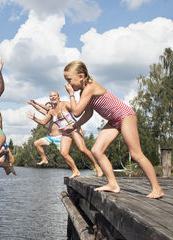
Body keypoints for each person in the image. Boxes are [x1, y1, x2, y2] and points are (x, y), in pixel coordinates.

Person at [63, 60, 164, 198]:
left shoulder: (90, 87)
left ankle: (157, 188)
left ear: (81, 76)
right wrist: (74, 126)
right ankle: (112, 184)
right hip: (113, 121)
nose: (68, 84)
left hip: (125, 116)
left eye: (69, 80)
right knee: (96, 150)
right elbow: (88, 113)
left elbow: (76, 112)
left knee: (135, 154)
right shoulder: (84, 93)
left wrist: (70, 94)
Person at [28, 91, 103, 178]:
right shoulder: (51, 111)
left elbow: (78, 110)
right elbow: (43, 122)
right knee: (63, 153)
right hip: (65, 133)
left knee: (82, 149)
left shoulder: (65, 104)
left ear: (58, 97)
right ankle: (76, 171)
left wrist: (76, 124)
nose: (52, 97)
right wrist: (34, 118)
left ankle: (97, 167)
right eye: (51, 96)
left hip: (74, 129)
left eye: (54, 95)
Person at [27, 100, 60, 165]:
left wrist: (35, 103)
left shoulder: (55, 113)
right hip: (50, 137)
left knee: (64, 154)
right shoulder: (47, 114)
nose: (48, 108)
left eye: (50, 106)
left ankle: (75, 170)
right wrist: (32, 104)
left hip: (59, 137)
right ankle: (44, 159)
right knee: (37, 143)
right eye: (47, 106)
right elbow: (39, 109)